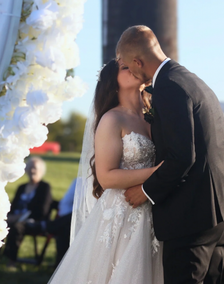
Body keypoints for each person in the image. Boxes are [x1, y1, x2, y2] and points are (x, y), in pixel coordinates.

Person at [118, 25, 224, 284]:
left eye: (128, 65)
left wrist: (145, 190)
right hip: (221, 211)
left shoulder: (168, 88)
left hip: (192, 216)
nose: (131, 72)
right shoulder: (189, 78)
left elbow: (182, 156)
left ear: (137, 61)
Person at [48, 59, 164, 283]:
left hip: (155, 211)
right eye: (125, 67)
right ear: (114, 82)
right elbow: (107, 176)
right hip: (123, 213)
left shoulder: (153, 117)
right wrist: (158, 172)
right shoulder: (112, 119)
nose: (133, 68)